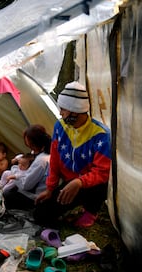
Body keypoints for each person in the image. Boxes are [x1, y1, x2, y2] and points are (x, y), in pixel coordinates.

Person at [34, 81, 111, 228]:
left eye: (63, 109)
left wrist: (79, 182)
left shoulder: (101, 135)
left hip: (88, 185)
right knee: (40, 215)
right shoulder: (60, 126)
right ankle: (73, 209)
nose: (60, 113)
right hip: (69, 183)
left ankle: (90, 211)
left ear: (75, 111)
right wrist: (50, 189)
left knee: (101, 184)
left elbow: (102, 173)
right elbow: (55, 159)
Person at [3, 124, 51, 210]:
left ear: (31, 142)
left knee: (7, 195)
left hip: (34, 197)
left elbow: (26, 185)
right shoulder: (36, 153)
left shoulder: (42, 160)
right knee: (7, 178)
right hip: (27, 185)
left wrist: (15, 171)